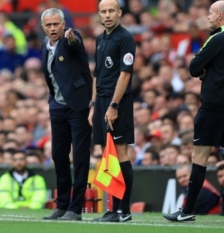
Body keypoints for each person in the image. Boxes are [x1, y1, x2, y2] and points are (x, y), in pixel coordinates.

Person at [163, 0, 224, 224]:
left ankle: (187, 210)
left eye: (210, 13)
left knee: (199, 157)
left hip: (213, 107)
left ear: (220, 17)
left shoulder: (217, 38)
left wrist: (205, 71)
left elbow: (193, 68)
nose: (207, 17)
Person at [40, 8, 92, 221]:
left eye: (56, 24)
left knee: (79, 156)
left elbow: (75, 43)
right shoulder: (45, 45)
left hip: (78, 106)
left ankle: (76, 208)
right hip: (57, 107)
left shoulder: (72, 37)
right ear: (43, 27)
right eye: (49, 25)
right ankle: (61, 205)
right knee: (58, 155)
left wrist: (71, 38)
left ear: (63, 24)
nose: (53, 28)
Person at [89, 0, 136, 223]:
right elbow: (96, 74)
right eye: (103, 11)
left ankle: (123, 210)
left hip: (118, 102)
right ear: (99, 14)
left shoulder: (125, 37)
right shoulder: (100, 39)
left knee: (120, 152)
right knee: (109, 155)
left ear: (119, 12)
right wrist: (93, 104)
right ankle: (113, 209)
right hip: (101, 101)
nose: (107, 15)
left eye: (111, 11)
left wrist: (114, 105)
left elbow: (125, 74)